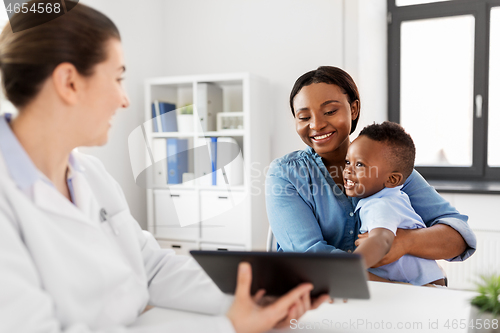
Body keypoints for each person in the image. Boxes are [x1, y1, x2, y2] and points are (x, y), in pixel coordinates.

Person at [0, 2, 330, 332]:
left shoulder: (91, 174)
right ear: (69, 82)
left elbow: (152, 267)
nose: (124, 99)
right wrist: (228, 326)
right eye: (117, 78)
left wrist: (255, 298)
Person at [265, 66, 476, 273]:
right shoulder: (286, 174)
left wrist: (404, 241)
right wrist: (394, 283)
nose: (317, 125)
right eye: (304, 117)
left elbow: (458, 237)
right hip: (324, 299)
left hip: (393, 298)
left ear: (354, 109)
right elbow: (311, 259)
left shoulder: (387, 164)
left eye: (330, 111)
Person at [345, 121, 446, 286]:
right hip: (422, 283)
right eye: (348, 162)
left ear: (392, 179)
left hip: (425, 288)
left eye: (360, 164)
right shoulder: (390, 198)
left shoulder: (382, 205)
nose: (348, 170)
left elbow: (382, 240)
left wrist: (353, 264)